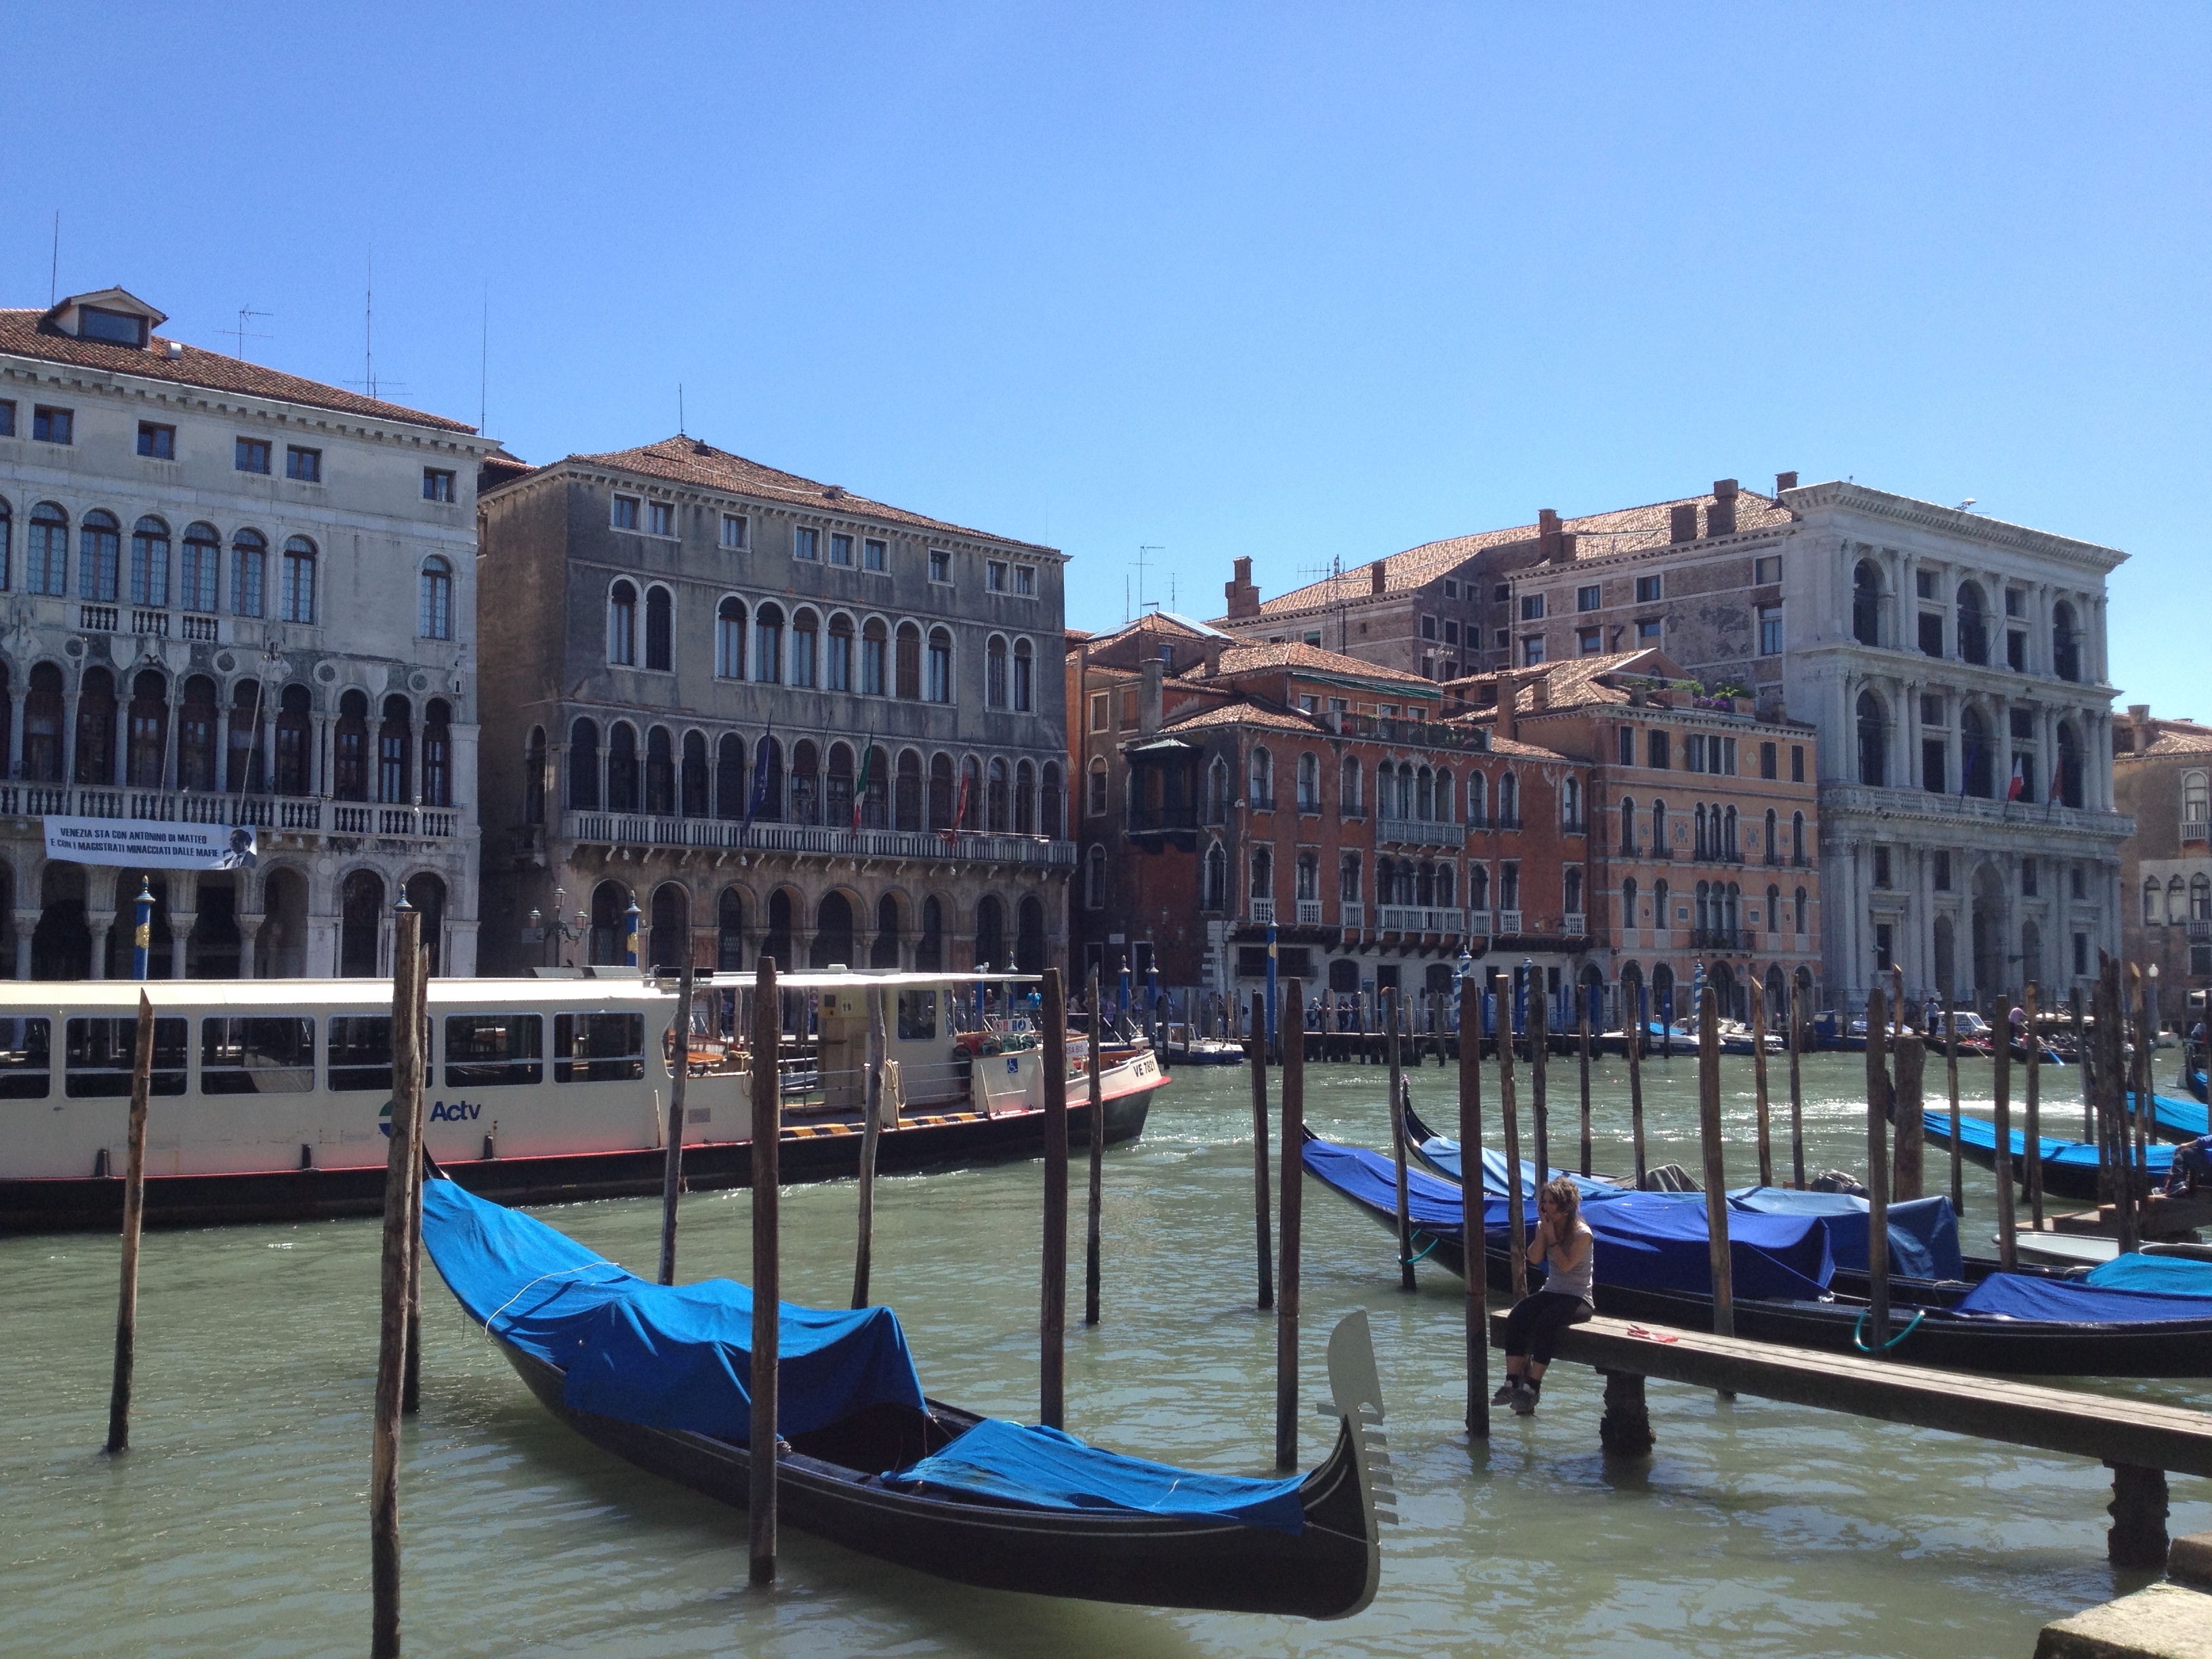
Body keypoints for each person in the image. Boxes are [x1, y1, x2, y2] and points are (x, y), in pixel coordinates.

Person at [1495, 1175, 1595, 1416]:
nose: (1545, 1207)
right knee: (1518, 1315)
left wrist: (1551, 1237)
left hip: (1578, 1297)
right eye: (1544, 1202)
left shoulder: (1583, 1234)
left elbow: (1566, 1265)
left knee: (1546, 1322)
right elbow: (1536, 1259)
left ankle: (1533, 1386)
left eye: (1551, 1203)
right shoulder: (1544, 1226)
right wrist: (1542, 1232)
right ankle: (1512, 1381)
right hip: (1552, 1290)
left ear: (1565, 1207)